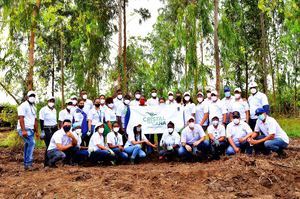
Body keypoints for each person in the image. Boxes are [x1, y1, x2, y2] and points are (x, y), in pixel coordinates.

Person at [17, 90, 39, 170]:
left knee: (28, 144)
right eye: (31, 95)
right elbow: (21, 118)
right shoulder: (23, 106)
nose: (32, 97)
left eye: (34, 96)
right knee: (32, 143)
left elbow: (35, 120)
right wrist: (23, 130)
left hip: (31, 129)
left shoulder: (34, 107)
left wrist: (37, 131)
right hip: (24, 128)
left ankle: (26, 164)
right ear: (27, 97)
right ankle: (28, 163)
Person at [39, 96, 58, 167]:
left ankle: (52, 162)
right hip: (47, 129)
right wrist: (42, 131)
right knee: (49, 146)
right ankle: (46, 163)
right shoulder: (43, 109)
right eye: (50, 100)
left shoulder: (54, 110)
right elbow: (41, 120)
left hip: (54, 128)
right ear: (48, 101)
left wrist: (57, 129)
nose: (52, 102)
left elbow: (54, 120)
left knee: (54, 145)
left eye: (53, 101)